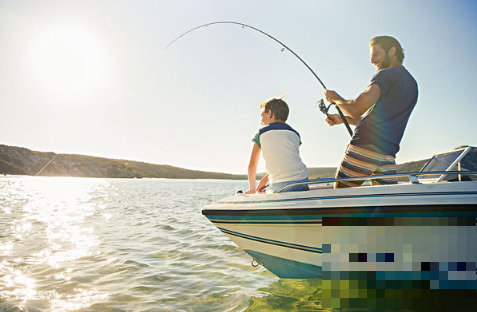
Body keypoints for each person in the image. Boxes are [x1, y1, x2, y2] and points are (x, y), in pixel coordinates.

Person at [324, 36, 418, 188]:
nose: (372, 61)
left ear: (392, 51)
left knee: (341, 198)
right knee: (383, 207)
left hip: (365, 146)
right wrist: (342, 119)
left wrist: (336, 99)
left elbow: (356, 109)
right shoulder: (412, 84)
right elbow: (382, 120)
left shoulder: (385, 75)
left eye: (376, 54)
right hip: (387, 154)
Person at [245, 96, 308, 194]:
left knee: (267, 191)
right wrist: (265, 179)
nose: (261, 120)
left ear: (269, 113)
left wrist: (252, 189)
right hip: (302, 180)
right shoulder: (295, 133)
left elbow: (253, 164)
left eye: (262, 115)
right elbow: (287, 162)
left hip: (280, 185)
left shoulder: (261, 133)